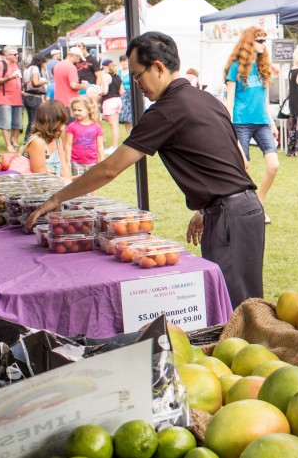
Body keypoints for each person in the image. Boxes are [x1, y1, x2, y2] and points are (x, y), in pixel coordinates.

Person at [25, 32, 265, 306]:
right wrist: (209, 206)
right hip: (238, 209)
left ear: (159, 68)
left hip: (230, 214)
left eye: (138, 75)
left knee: (239, 309)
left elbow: (109, 169)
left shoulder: (166, 110)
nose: (136, 84)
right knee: (232, 303)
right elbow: (238, 161)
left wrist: (57, 198)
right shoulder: (207, 99)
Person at [223, 28, 278, 223]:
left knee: (274, 165)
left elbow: (264, 99)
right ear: (249, 42)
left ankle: (259, 204)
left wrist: (272, 122)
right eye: (260, 40)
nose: (264, 43)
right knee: (242, 168)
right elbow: (229, 100)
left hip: (262, 122)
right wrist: (228, 125)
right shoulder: (235, 68)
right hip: (240, 122)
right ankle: (243, 209)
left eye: (265, 39)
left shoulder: (263, 67)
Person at [11, 99, 70, 176]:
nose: (64, 126)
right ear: (54, 122)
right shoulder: (37, 142)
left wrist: (70, 182)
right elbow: (41, 175)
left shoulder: (57, 139)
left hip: (55, 184)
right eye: (62, 122)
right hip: (37, 185)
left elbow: (63, 166)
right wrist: (65, 181)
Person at [0, 45, 25, 152]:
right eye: (15, 54)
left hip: (17, 98)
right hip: (4, 98)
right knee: (6, 123)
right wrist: (9, 77)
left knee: (17, 123)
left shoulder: (17, 65)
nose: (17, 56)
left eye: (17, 54)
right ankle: (8, 145)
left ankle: (14, 142)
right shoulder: (1, 65)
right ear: (7, 55)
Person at [65, 96, 105, 177]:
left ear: (89, 110)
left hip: (93, 162)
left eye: (79, 110)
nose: (76, 112)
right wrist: (67, 161)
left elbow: (100, 146)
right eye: (74, 110)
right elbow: (68, 145)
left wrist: (102, 160)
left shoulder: (96, 127)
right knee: (78, 184)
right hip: (76, 162)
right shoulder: (71, 126)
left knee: (93, 184)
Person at [99, 59, 124, 153]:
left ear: (105, 67)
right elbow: (122, 92)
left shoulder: (106, 76)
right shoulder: (118, 77)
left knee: (113, 126)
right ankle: (115, 145)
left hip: (109, 101)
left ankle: (114, 146)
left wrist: (99, 92)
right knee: (115, 125)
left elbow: (105, 91)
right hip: (118, 100)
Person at [53, 44, 88, 110]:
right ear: (75, 56)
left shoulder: (57, 65)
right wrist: (83, 86)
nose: (78, 60)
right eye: (79, 58)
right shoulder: (71, 67)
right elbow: (74, 85)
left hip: (58, 103)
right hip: (69, 102)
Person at [22, 53, 50, 135]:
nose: (44, 65)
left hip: (27, 95)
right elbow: (35, 82)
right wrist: (45, 81)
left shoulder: (27, 69)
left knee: (30, 120)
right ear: (41, 62)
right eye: (44, 63)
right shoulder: (35, 69)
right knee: (35, 120)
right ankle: (32, 138)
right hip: (34, 97)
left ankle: (27, 138)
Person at [116, 55, 135, 135]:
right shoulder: (118, 73)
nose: (125, 63)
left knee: (134, 117)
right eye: (123, 61)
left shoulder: (132, 71)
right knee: (126, 119)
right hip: (122, 96)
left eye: (126, 61)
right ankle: (129, 135)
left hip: (131, 95)